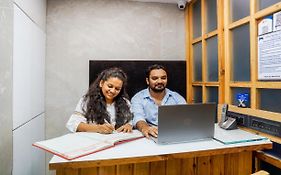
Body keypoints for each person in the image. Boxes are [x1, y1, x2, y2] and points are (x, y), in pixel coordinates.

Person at [66, 67, 133, 134]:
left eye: (117, 89)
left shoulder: (125, 102)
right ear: (101, 83)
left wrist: (129, 125)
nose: (113, 91)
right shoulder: (87, 100)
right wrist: (97, 128)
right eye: (110, 86)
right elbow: (73, 123)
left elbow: (132, 120)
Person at [131, 64, 186, 138]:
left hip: (174, 133)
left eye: (163, 78)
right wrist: (145, 128)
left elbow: (185, 117)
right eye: (155, 78)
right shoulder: (138, 98)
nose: (160, 81)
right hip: (149, 135)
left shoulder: (176, 97)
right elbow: (138, 117)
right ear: (147, 81)